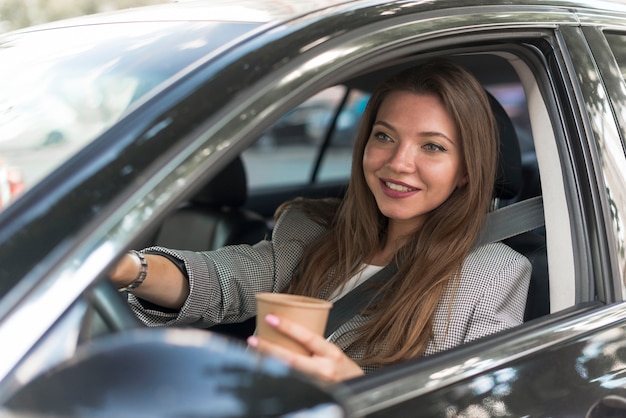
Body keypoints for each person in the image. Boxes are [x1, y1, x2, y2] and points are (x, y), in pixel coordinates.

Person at [109, 59, 531, 382]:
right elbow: (225, 279)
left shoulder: (494, 274)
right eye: (384, 136)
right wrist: (129, 268)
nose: (399, 163)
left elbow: (478, 406)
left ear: (466, 170)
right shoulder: (311, 228)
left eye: (433, 147)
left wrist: (355, 389)